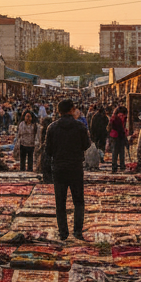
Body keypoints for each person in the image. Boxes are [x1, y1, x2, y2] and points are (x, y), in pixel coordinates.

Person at [44, 98, 90, 241]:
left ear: (58, 111)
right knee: (78, 201)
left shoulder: (52, 127)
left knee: (60, 202)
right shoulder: (80, 126)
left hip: (59, 168)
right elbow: (86, 145)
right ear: (71, 110)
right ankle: (77, 231)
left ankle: (63, 232)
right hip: (75, 167)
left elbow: (48, 150)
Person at [108, 105, 128, 174]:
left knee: (115, 152)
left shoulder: (113, 117)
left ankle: (114, 166)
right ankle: (121, 165)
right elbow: (121, 127)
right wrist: (124, 136)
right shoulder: (120, 117)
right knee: (120, 151)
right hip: (118, 135)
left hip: (113, 135)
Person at [34, 115, 53, 183]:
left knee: (46, 167)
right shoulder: (48, 129)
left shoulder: (48, 129)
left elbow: (43, 141)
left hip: (47, 151)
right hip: (49, 151)